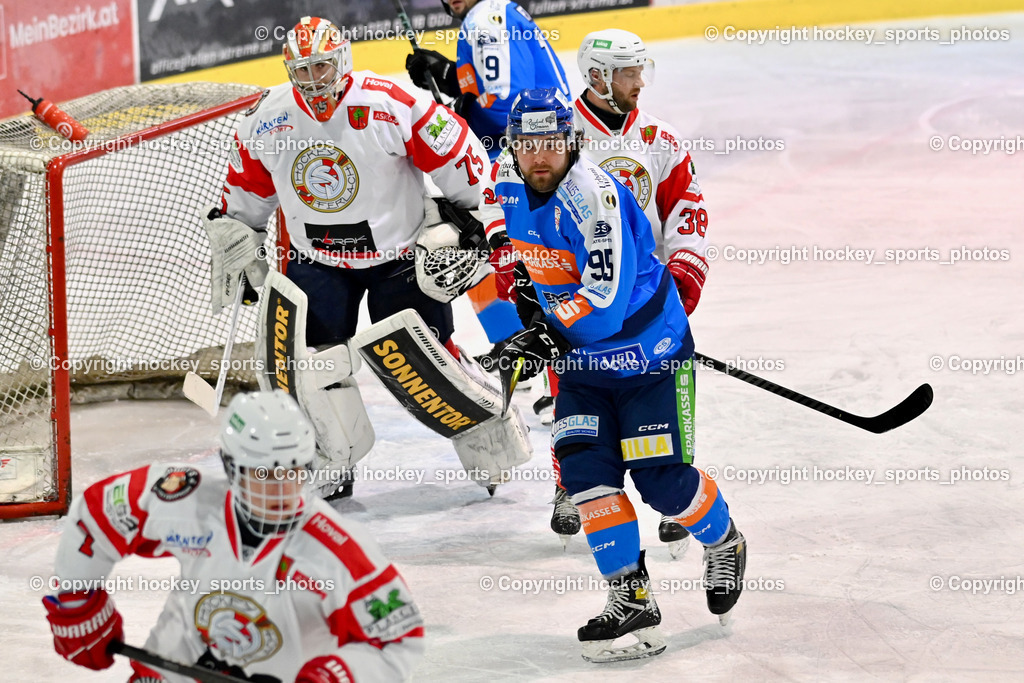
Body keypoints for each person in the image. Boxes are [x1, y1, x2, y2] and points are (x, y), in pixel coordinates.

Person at [484, 89, 746, 662]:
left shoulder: (594, 198)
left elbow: (602, 302)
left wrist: (543, 330)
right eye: (528, 145)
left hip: (649, 356)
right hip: (581, 364)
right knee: (586, 473)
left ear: (572, 141)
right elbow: (502, 236)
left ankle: (724, 539)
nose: (540, 157)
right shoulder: (506, 180)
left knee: (662, 483)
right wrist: (516, 292)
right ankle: (630, 595)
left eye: (551, 143)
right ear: (513, 146)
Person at [204, 16, 489, 499]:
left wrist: (473, 221)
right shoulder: (266, 119)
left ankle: (489, 439)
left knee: (428, 361)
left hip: (400, 256)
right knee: (313, 368)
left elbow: (462, 160)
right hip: (316, 260)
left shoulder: (392, 103)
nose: (315, 81)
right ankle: (333, 460)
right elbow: (243, 196)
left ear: (344, 60)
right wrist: (238, 239)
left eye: (323, 67)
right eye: (304, 70)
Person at [42, 390, 424, 682]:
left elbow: (397, 639)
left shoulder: (337, 549)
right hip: (175, 666)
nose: (282, 489)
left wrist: (332, 677)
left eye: (293, 472)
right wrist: (78, 601)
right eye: (265, 475)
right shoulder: (189, 500)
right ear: (232, 468)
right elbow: (97, 514)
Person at [542, 29, 715, 553]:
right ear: (598, 77)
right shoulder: (561, 135)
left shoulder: (660, 140)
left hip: (648, 301)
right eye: (628, 72)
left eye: (642, 70)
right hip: (581, 293)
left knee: (662, 381)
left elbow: (686, 209)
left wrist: (684, 271)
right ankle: (569, 481)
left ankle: (673, 477)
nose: (640, 82)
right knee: (571, 381)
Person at [406, 0, 571, 360]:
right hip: (537, 149)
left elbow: (506, 106)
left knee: (460, 243)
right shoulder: (495, 14)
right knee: (496, 249)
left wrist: (451, 88)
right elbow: (492, 94)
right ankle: (516, 340)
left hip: (526, 152)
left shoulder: (486, 20)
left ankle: (522, 342)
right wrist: (450, 79)